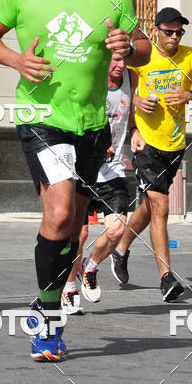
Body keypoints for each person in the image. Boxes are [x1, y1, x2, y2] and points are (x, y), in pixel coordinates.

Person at [0, 0, 151, 361]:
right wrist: (16, 61)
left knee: (73, 227)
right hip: (41, 118)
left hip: (91, 126)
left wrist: (128, 48)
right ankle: (49, 324)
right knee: (58, 213)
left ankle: (44, 298)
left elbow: (145, 49)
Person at [112, 8, 192, 301]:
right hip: (147, 143)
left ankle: (120, 249)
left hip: (175, 143)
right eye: (169, 32)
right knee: (162, 205)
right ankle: (166, 278)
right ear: (156, 31)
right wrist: (137, 108)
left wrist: (189, 94)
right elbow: (124, 93)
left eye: (179, 32)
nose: (174, 37)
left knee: (150, 206)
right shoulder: (142, 58)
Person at [61, 53, 133, 314]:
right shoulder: (88, 81)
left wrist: (135, 132)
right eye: (114, 60)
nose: (120, 65)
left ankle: (89, 267)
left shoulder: (130, 78)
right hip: (82, 166)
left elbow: (130, 113)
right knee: (78, 234)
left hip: (112, 170)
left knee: (117, 228)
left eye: (124, 60)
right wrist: (95, 144)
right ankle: (69, 288)